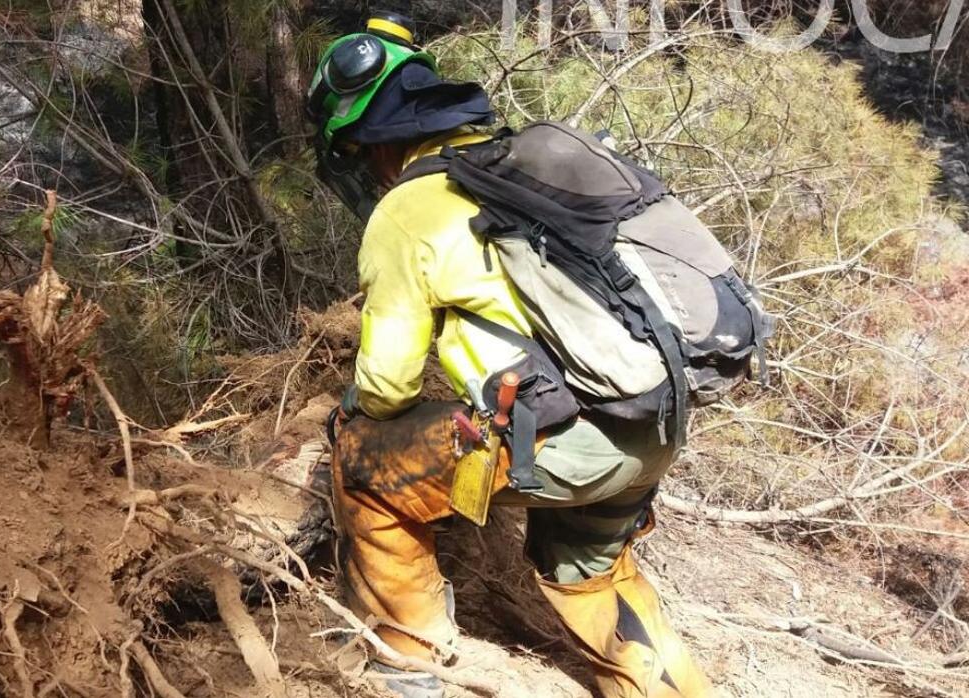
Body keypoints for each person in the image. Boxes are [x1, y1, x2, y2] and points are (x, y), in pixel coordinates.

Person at [305, 12, 715, 698]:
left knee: (362, 463)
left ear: (374, 143)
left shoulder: (410, 209)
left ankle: (404, 663)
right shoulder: (516, 172)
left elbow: (385, 387)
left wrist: (353, 410)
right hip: (654, 426)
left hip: (567, 446)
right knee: (593, 570)